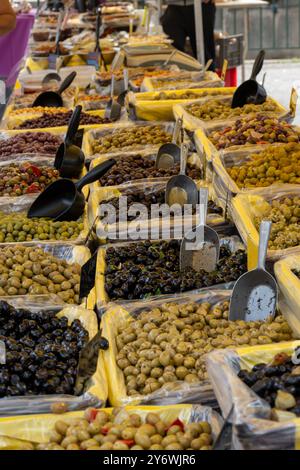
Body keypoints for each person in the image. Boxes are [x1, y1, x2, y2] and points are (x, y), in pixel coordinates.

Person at [161, 0, 216, 69]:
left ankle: (211, 78)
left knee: (205, 55)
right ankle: (174, 78)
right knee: (173, 53)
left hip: (201, 6)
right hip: (173, 7)